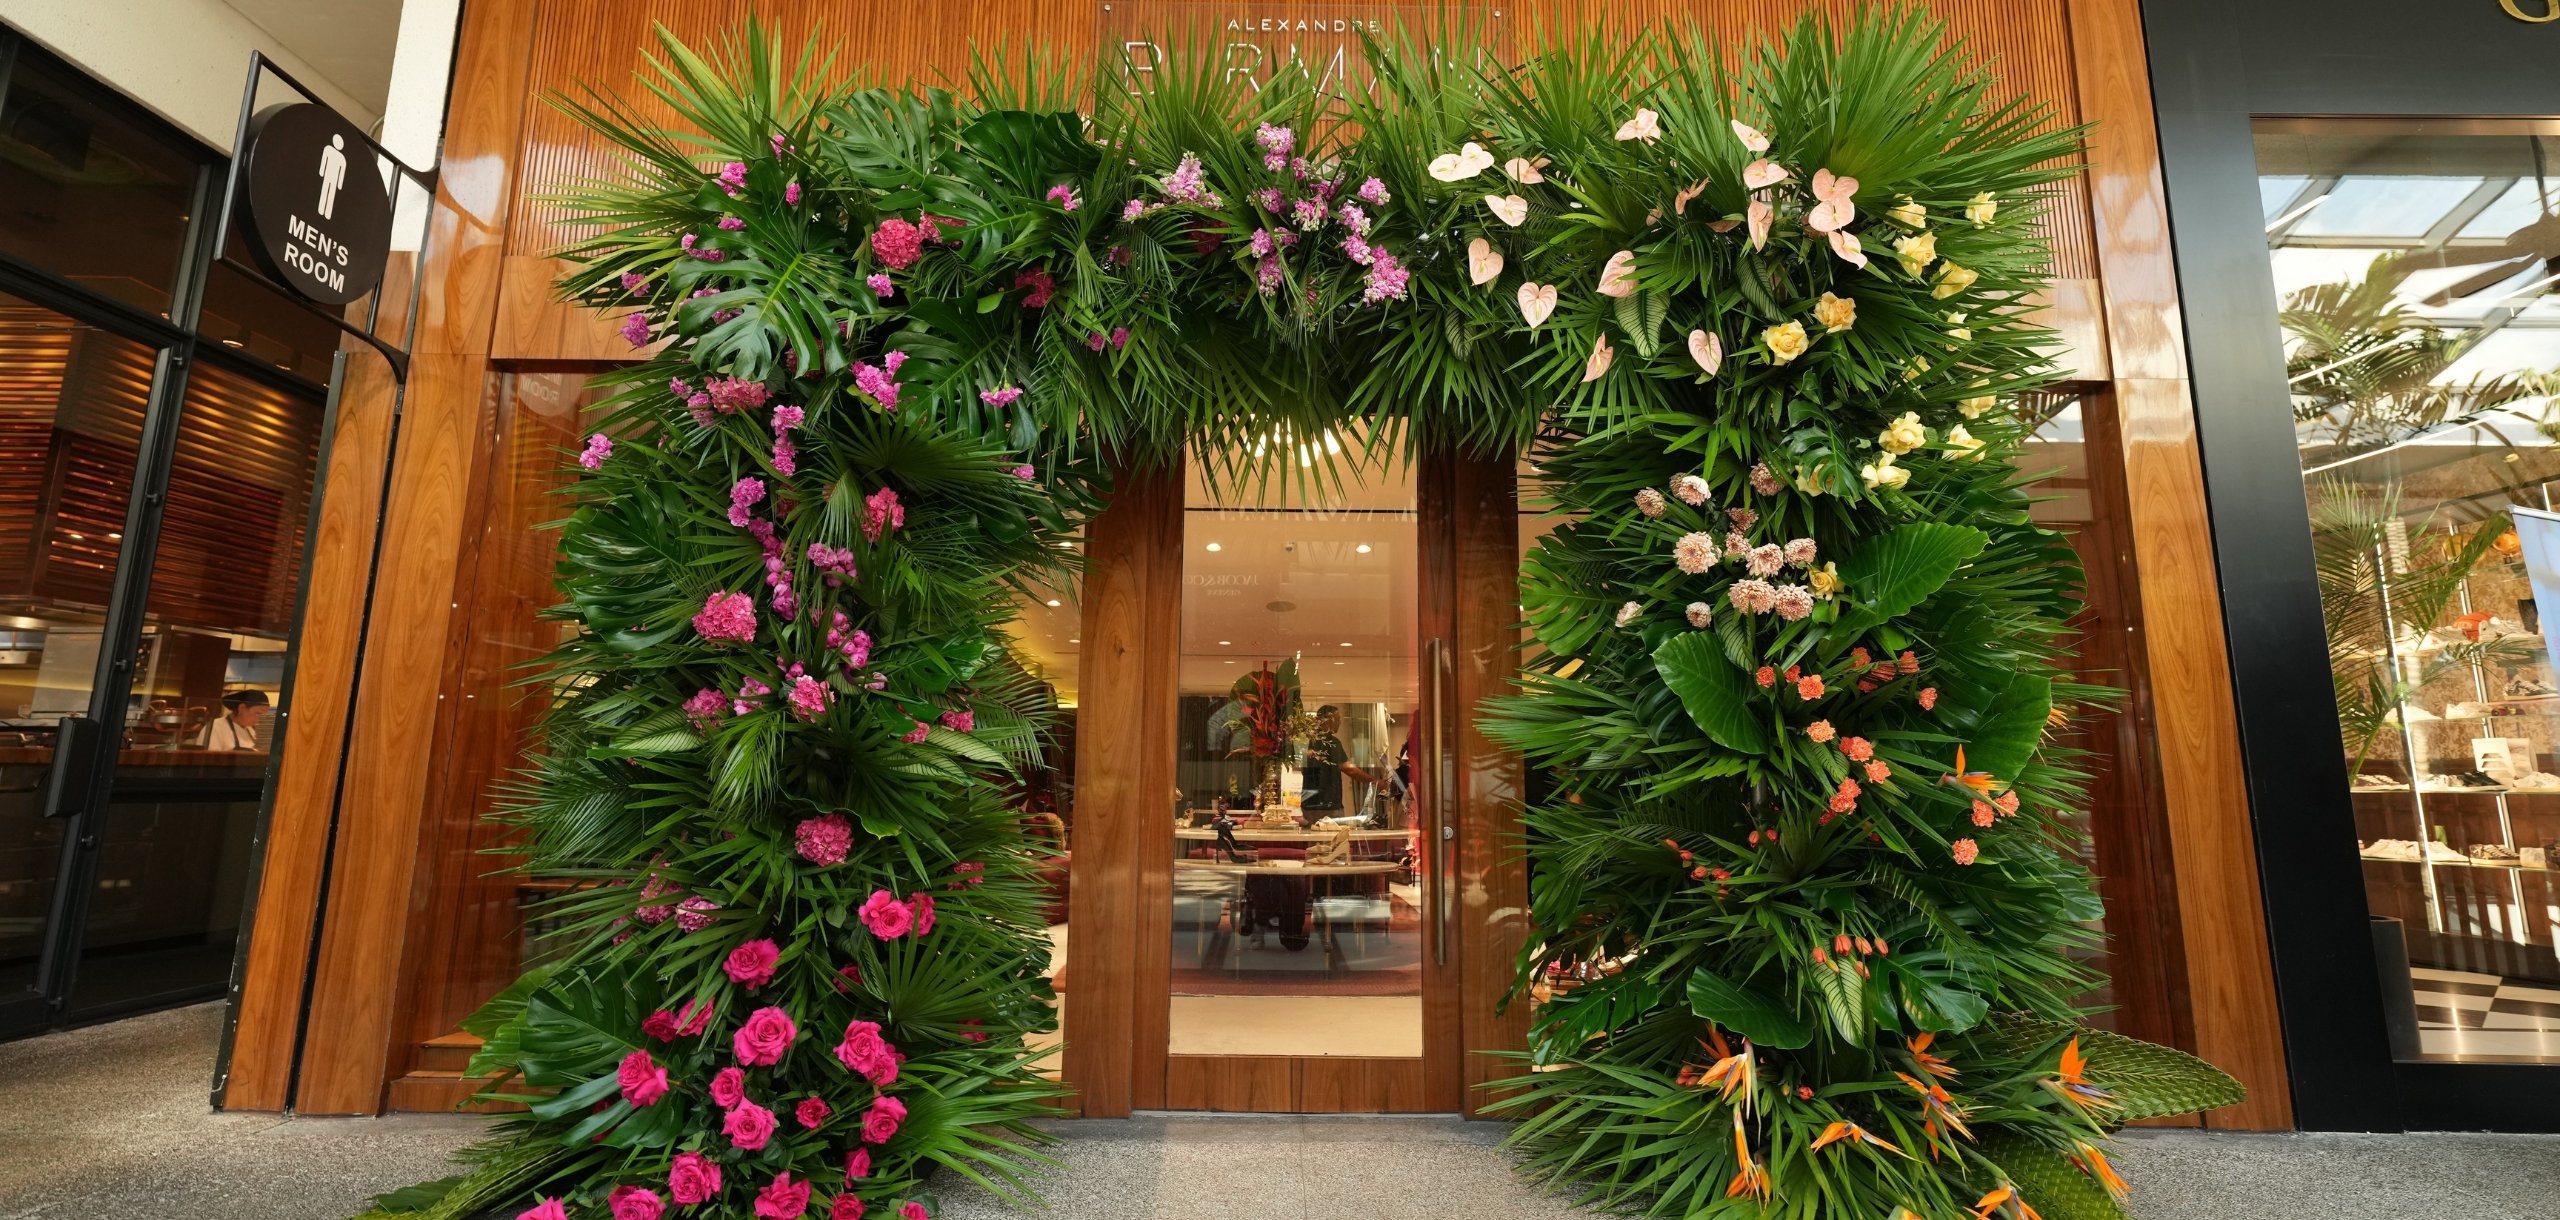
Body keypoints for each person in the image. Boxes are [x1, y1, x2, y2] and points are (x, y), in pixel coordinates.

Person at [1298, 705, 1380, 823]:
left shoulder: (1308, 740)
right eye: (1338, 719)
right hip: (1328, 805)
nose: (1340, 722)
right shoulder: (1332, 742)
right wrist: (1375, 781)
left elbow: (1302, 769)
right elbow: (1349, 769)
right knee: (1334, 839)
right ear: (1330, 720)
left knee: (1314, 839)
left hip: (1308, 803)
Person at [199, 689, 271, 752]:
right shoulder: (215, 727)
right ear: (242, 708)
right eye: (258, 713)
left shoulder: (250, 731)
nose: (261, 718)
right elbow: (210, 760)